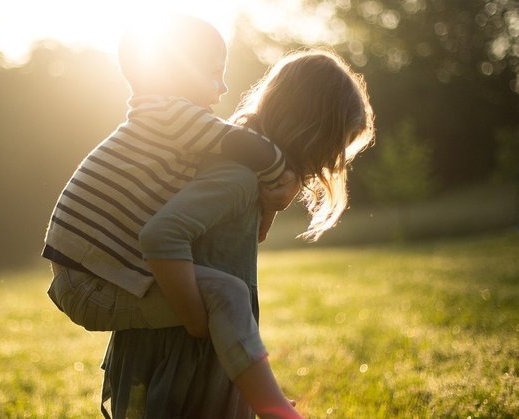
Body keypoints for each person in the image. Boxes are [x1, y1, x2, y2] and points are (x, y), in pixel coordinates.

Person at [42, 15, 303, 417]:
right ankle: (273, 409)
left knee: (220, 294)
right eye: (216, 73)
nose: (223, 87)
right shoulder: (170, 115)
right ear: (178, 71)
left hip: (85, 276)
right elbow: (245, 145)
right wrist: (282, 177)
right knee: (227, 294)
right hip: (90, 282)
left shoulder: (160, 122)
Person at [102, 50, 375, 418]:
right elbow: (163, 234)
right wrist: (199, 320)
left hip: (203, 342)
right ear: (311, 130)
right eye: (334, 145)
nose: (330, 161)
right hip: (182, 347)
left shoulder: (248, 171)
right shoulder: (238, 176)